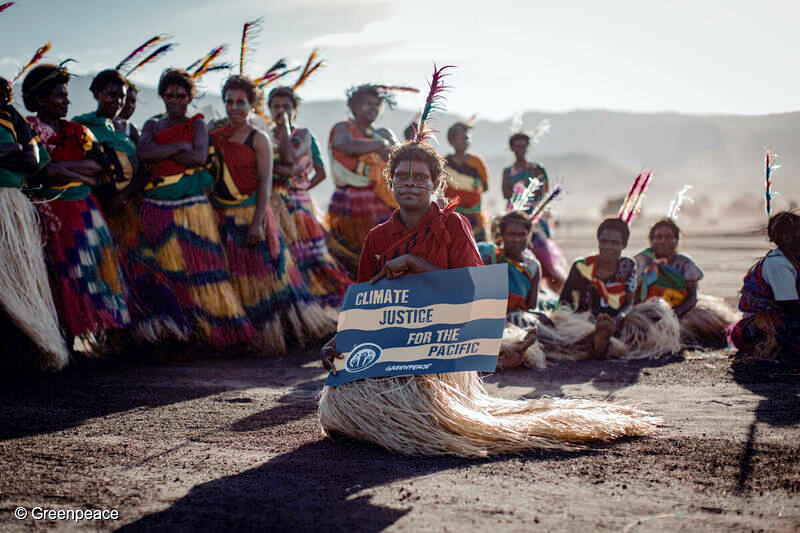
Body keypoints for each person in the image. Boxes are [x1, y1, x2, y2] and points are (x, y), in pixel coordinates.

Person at [318, 135, 656, 457]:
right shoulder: (377, 237)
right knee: (343, 414)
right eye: (401, 177)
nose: (409, 184)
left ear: (436, 184)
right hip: (393, 345)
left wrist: (416, 264)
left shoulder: (454, 226)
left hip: (440, 348)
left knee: (417, 419)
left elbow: (475, 291)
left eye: (419, 177)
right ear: (390, 182)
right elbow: (367, 304)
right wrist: (342, 338)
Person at [209, 76, 333, 353]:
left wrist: (257, 223)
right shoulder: (216, 136)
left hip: (255, 214)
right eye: (229, 102)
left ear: (252, 105)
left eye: (241, 102)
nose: (234, 107)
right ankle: (246, 336)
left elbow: (265, 182)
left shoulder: (259, 138)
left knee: (269, 275)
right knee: (238, 276)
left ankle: (284, 332)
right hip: (226, 214)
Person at [137, 68, 253, 347]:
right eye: (169, 95)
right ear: (162, 96)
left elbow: (198, 157)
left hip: (192, 209)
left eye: (181, 95)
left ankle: (212, 331)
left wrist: (162, 152)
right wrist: (180, 147)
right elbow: (144, 153)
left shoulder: (197, 125)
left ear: (189, 97)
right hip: (157, 209)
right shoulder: (152, 125)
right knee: (166, 271)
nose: (175, 100)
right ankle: (177, 333)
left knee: (202, 268)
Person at [22, 63, 132, 352]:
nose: (67, 100)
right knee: (59, 277)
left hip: (84, 214)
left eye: (66, 94)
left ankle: (102, 339)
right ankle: (63, 344)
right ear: (40, 99)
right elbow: (43, 171)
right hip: (51, 214)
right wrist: (76, 172)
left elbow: (99, 166)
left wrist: (62, 168)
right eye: (60, 95)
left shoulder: (79, 131)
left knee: (93, 271)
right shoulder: (29, 129)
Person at [75, 69, 190, 343]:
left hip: (128, 212)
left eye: (121, 96)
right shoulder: (81, 127)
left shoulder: (128, 130)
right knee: (105, 271)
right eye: (111, 95)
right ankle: (114, 336)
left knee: (139, 268)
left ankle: (146, 333)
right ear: (96, 94)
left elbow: (143, 170)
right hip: (98, 211)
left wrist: (124, 197)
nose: (117, 101)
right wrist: (106, 198)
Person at [533, 218, 680, 361]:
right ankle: (600, 343)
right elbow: (565, 304)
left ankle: (602, 342)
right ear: (598, 241)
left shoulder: (628, 266)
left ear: (624, 245)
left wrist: (617, 320)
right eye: (604, 241)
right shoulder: (582, 266)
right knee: (546, 327)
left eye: (615, 243)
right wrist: (571, 321)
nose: (608, 247)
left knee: (657, 310)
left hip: (617, 323)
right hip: (581, 322)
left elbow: (629, 304)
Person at [0, 76, 69, 371]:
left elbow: (32, 159)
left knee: (16, 283)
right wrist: (12, 151)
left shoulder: (12, 118)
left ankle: (25, 354)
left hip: (9, 206)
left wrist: (13, 151)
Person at [268, 85, 352, 309]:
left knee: (309, 255)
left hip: (299, 206)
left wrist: (301, 190)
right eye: (275, 106)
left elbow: (313, 169)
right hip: (274, 202)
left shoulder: (302, 135)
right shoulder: (263, 135)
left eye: (286, 106)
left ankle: (320, 300)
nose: (280, 111)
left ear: (295, 109)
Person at [326, 85, 399, 276]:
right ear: (354, 106)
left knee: (384, 249)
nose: (372, 108)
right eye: (367, 104)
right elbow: (347, 147)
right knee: (352, 251)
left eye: (376, 105)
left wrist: (380, 145)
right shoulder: (343, 128)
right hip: (351, 201)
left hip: (382, 199)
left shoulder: (383, 132)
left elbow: (398, 154)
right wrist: (380, 145)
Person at [636, 218, 739, 347]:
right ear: (652, 241)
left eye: (668, 237)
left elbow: (692, 298)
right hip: (649, 311)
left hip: (681, 311)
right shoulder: (643, 261)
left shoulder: (685, 264)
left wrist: (673, 316)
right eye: (658, 237)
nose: (663, 241)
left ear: (676, 240)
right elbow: (635, 293)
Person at [729, 211, 800, 360]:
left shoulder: (792, 260)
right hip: (764, 327)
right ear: (787, 237)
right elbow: (790, 306)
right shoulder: (778, 264)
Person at [502, 132, 567, 292]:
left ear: (527, 147)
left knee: (543, 258)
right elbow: (506, 193)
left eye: (523, 146)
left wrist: (522, 194)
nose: (520, 149)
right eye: (517, 146)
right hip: (514, 217)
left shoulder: (537, 169)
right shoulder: (508, 171)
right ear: (512, 148)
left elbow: (541, 191)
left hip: (535, 220)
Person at [443, 121, 490, 241]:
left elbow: (485, 186)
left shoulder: (477, 161)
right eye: (458, 138)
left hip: (475, 218)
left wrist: (469, 192)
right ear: (451, 141)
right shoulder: (444, 164)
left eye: (465, 138)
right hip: (452, 217)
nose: (462, 141)